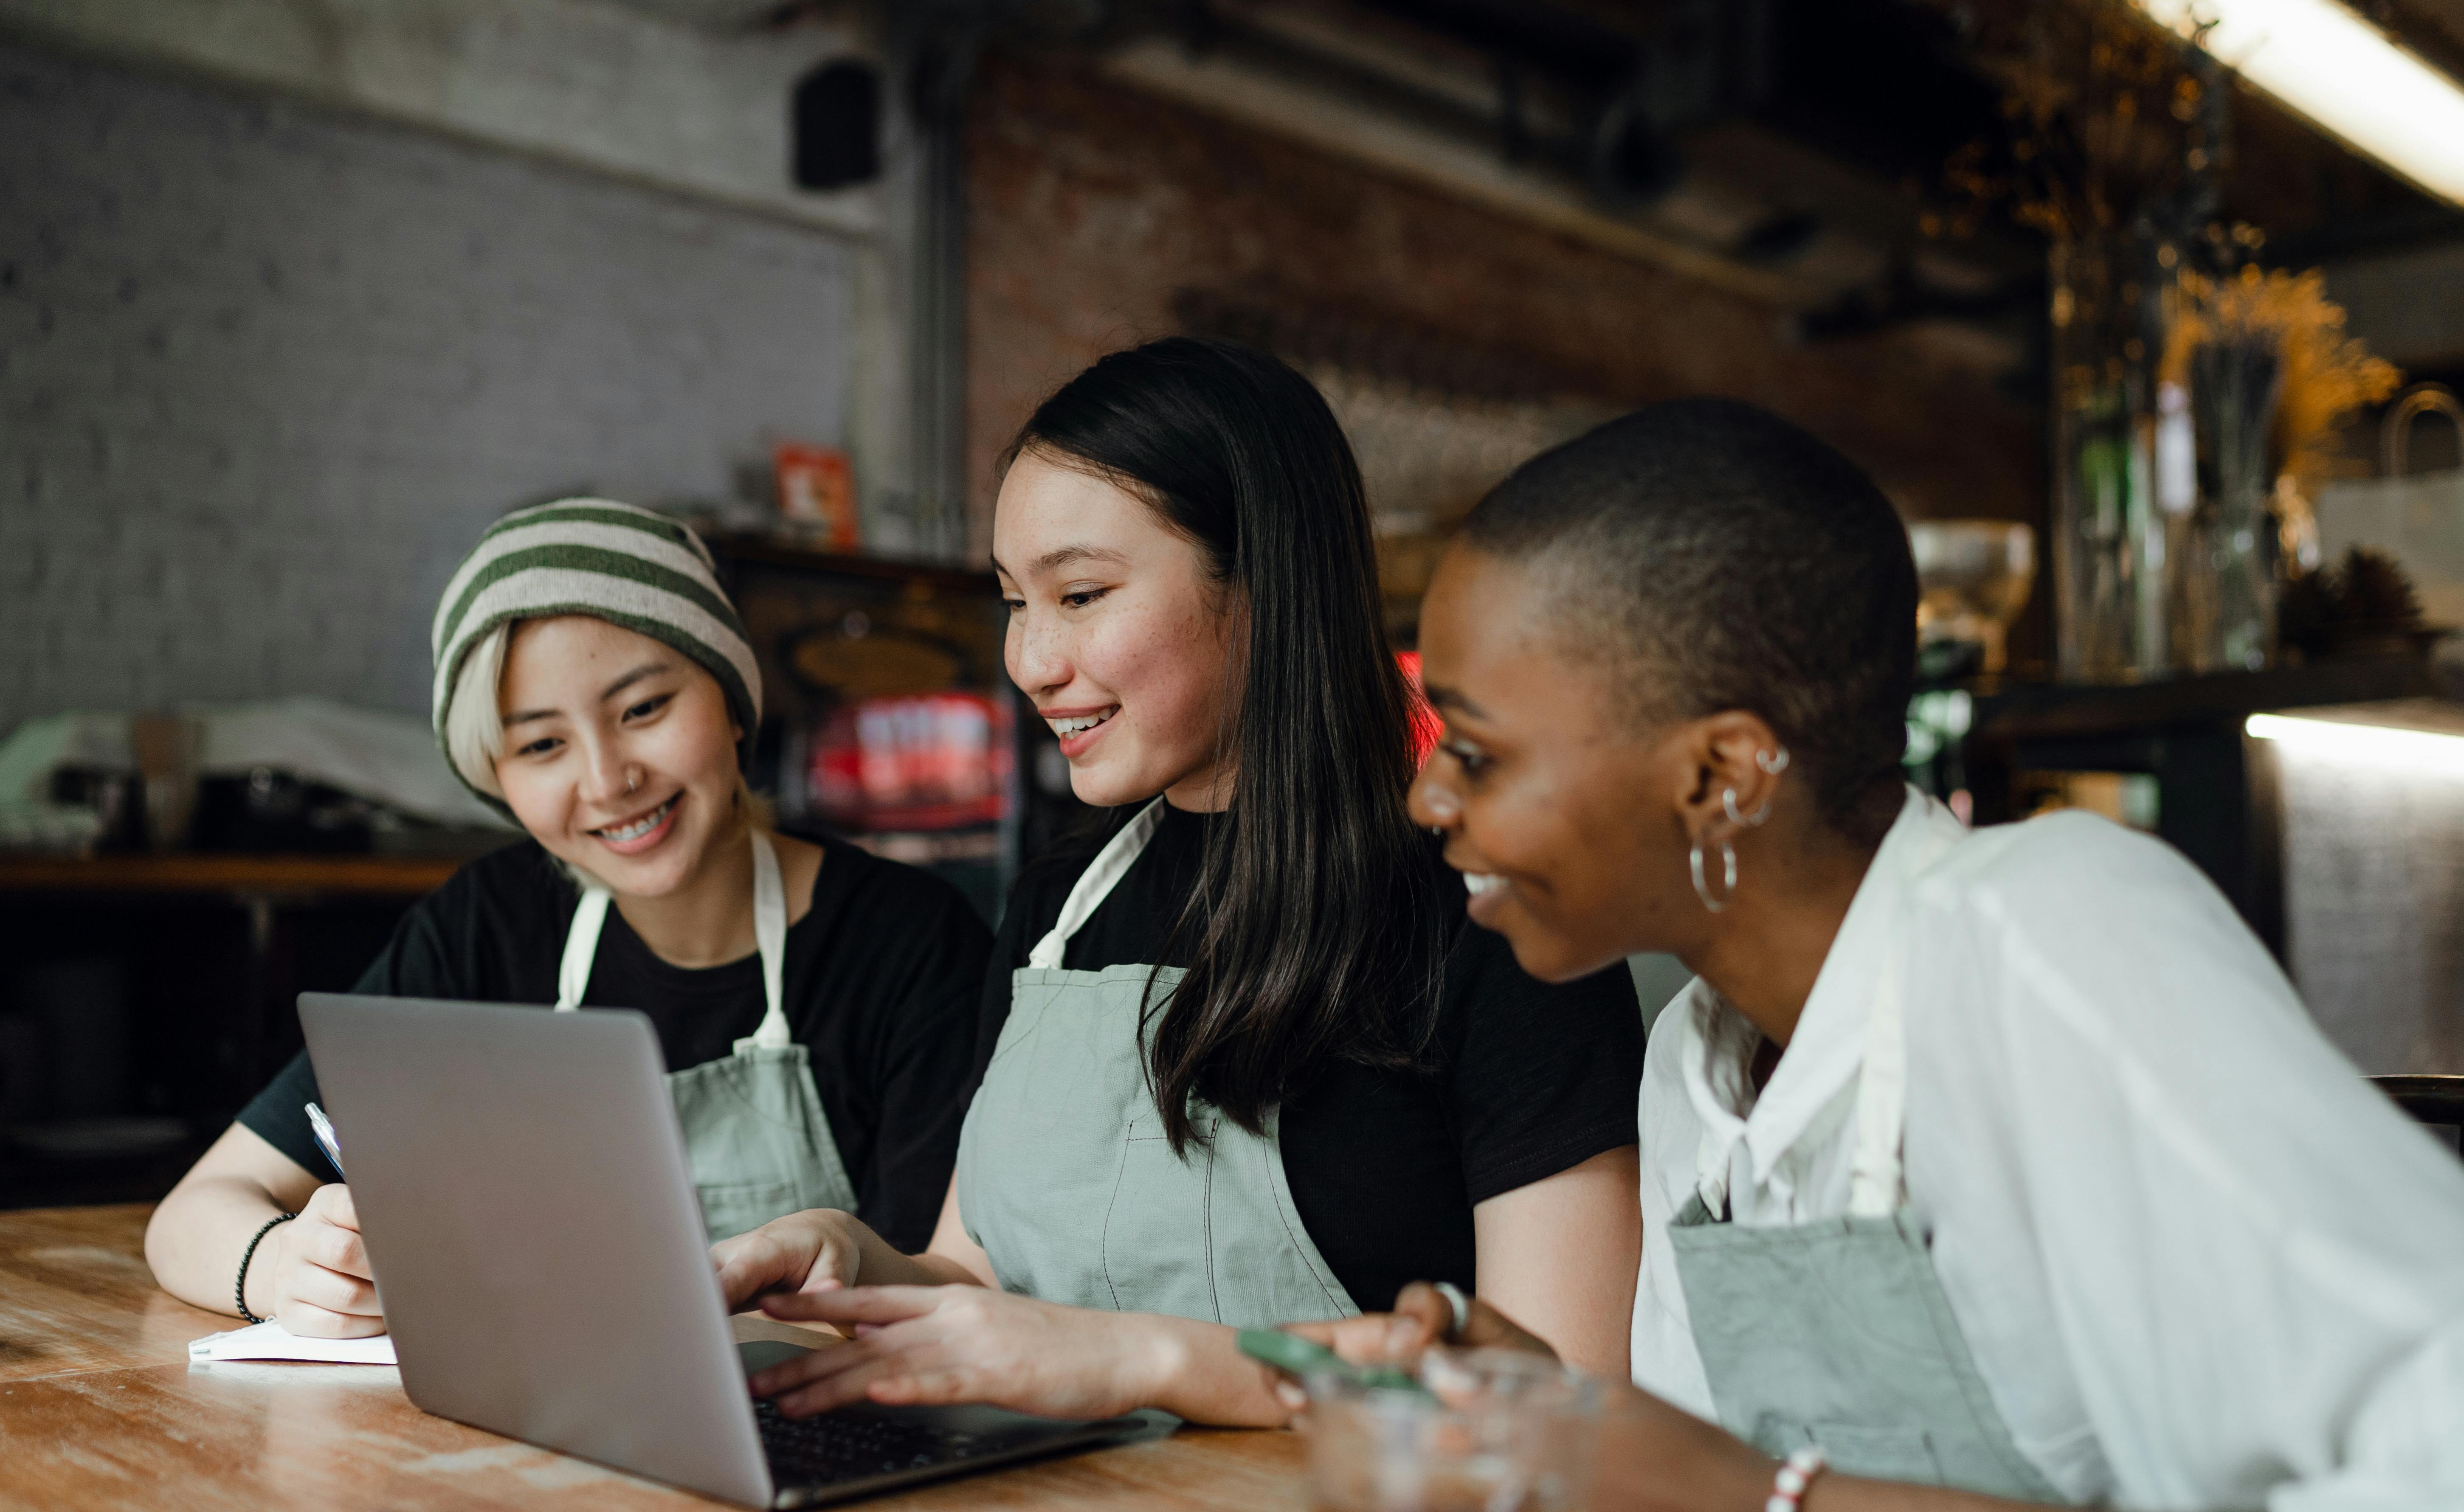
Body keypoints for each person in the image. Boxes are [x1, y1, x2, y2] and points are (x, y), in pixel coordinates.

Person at [1304, 398, 2464, 1509]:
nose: (1425, 799)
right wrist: (1557, 1420)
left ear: (1719, 778)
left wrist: (1752, 1495)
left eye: (1476, 751)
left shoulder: (2044, 936)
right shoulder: (1694, 1064)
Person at [714, 337, 1646, 1426]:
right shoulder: (1057, 908)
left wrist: (1144, 1360)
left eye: (1081, 593)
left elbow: (1572, 1402)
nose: (1031, 658)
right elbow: (980, 1283)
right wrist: (853, 1254)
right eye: (1016, 600)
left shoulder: (1497, 918)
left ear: (1263, 579)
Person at [145, 499, 991, 1338]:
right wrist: (283, 1267)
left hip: (820, 1428)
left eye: (644, 709)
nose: (607, 777)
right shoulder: (486, 926)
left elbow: (938, 1294)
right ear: (498, 780)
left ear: (733, 702)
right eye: (543, 745)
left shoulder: (908, 940)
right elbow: (190, 1215)